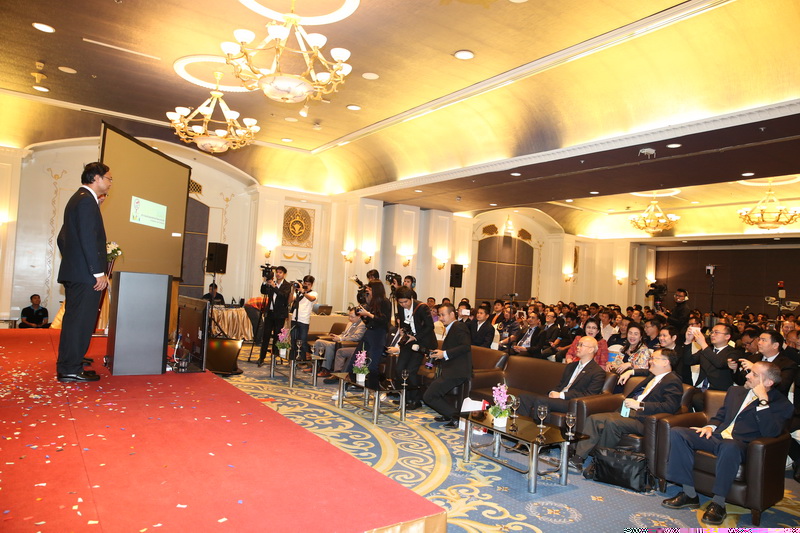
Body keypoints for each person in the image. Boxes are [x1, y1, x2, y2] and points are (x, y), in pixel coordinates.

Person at [662, 361, 793, 525]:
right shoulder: (735, 391)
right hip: (717, 437)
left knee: (729, 446)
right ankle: (689, 494)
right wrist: (710, 427)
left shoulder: (782, 404)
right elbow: (721, 416)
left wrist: (763, 401)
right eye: (749, 372)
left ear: (768, 382)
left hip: (742, 445)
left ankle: (718, 503)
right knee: (678, 433)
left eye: (754, 374)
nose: (747, 376)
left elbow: (771, 432)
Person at [571, 348, 684, 472]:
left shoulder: (673, 380)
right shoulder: (654, 375)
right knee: (594, 418)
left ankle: (600, 464)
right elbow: (645, 371)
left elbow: (670, 406)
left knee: (612, 423)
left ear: (665, 362)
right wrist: (630, 371)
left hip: (645, 420)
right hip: (630, 412)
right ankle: (578, 458)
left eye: (653, 359)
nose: (650, 361)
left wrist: (641, 405)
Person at [55, 162, 111, 383]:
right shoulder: (86, 201)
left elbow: (63, 238)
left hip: (76, 272)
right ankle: (70, 369)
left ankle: (71, 361)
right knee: (80, 322)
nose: (110, 183)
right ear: (96, 178)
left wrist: (73, 261)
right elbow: (88, 239)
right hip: (86, 275)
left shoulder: (80, 199)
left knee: (74, 321)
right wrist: (98, 272)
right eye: (108, 178)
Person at [518, 336, 606, 422]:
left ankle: (541, 430)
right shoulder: (571, 366)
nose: (577, 347)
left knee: (542, 401)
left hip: (571, 403)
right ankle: (522, 428)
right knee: (524, 397)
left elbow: (589, 395)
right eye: (578, 344)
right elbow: (561, 385)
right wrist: (553, 392)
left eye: (581, 345)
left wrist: (561, 395)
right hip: (558, 398)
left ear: (591, 349)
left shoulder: (597, 372)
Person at [423, 302, 472, 428]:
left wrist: (444, 353)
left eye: (443, 315)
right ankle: (447, 414)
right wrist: (440, 354)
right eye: (439, 315)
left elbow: (466, 346)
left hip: (457, 371)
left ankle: (456, 417)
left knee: (429, 396)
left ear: (452, 314)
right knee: (435, 392)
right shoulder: (451, 327)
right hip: (450, 369)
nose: (440, 318)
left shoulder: (459, 326)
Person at [394, 286, 436, 410]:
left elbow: (430, 326)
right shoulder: (400, 307)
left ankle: (415, 400)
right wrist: (402, 330)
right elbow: (404, 322)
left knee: (411, 370)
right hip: (409, 340)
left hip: (421, 342)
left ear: (411, 298)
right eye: (400, 302)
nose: (403, 305)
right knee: (400, 368)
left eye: (405, 302)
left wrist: (416, 337)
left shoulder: (422, 307)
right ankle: (405, 398)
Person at [684, 323, 740, 411]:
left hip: (718, 392)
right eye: (712, 332)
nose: (712, 335)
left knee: (696, 399)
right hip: (700, 389)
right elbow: (688, 361)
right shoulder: (707, 349)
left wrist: (703, 344)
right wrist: (688, 342)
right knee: (683, 396)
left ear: (727, 336)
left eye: (716, 332)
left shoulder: (733, 352)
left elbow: (719, 363)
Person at [730, 330, 797, 397]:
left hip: (772, 400)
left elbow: (781, 387)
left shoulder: (788, 364)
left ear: (775, 345)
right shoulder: (753, 358)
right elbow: (742, 381)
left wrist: (755, 368)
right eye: (759, 340)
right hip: (750, 397)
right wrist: (735, 369)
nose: (759, 343)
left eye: (763, 340)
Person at [352, 280, 391, 374]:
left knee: (373, 360)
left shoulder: (385, 302)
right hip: (370, 331)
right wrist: (365, 316)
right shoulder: (372, 302)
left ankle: (371, 380)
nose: (367, 290)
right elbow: (369, 321)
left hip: (379, 333)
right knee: (357, 356)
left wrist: (368, 314)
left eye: (370, 288)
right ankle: (352, 377)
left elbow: (384, 320)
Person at [314, 309, 366, 377]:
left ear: (359, 316)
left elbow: (356, 337)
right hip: (340, 341)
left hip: (347, 344)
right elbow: (344, 334)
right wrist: (337, 336)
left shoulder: (362, 325)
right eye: (349, 316)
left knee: (330, 345)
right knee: (318, 342)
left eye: (352, 317)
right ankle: (316, 365)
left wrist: (340, 339)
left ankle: (326, 369)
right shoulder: (350, 323)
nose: (349, 318)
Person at [257, 266, 292, 367]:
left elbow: (283, 296)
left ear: (284, 274)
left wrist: (274, 286)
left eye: (280, 272)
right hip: (270, 313)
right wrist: (265, 282)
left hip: (280, 314)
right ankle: (261, 357)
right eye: (277, 272)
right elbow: (263, 291)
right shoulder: (273, 282)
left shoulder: (287, 285)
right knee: (266, 335)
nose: (278, 274)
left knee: (277, 336)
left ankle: (274, 357)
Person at [288, 275, 317, 361]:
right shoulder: (298, 293)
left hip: (304, 320)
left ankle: (303, 361)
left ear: (311, 285)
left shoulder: (313, 293)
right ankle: (292, 360)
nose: (306, 286)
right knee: (293, 341)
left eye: (309, 284)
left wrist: (303, 291)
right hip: (294, 319)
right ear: (303, 283)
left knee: (302, 341)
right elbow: (289, 301)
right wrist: (293, 290)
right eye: (305, 283)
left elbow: (312, 299)